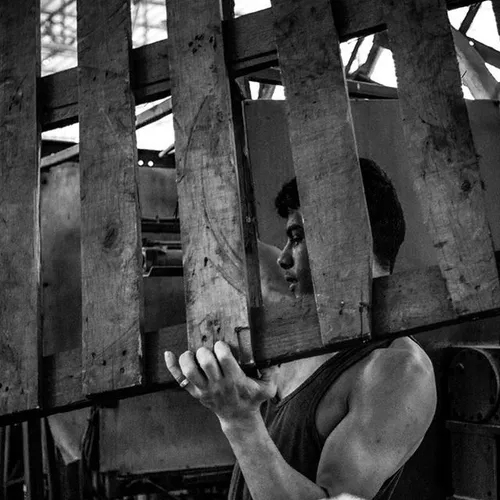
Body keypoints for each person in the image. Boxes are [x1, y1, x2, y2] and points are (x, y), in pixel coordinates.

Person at [164, 158, 437, 500]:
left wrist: (239, 421)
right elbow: (261, 263)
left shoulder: (396, 371)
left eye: (297, 238)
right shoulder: (306, 331)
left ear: (350, 240)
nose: (284, 258)